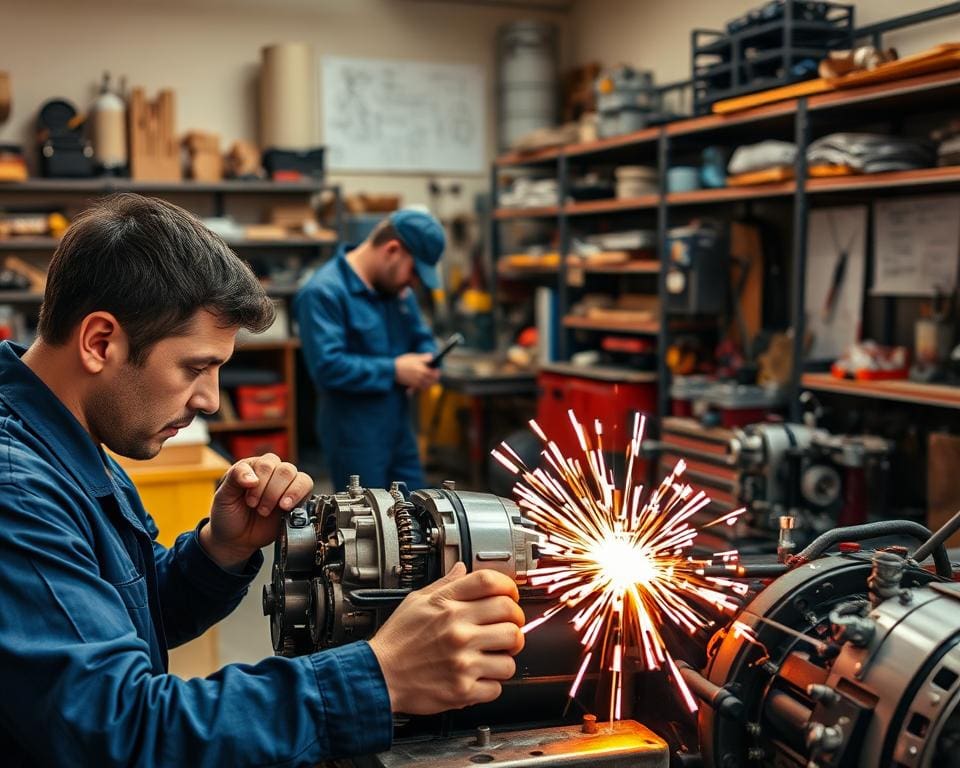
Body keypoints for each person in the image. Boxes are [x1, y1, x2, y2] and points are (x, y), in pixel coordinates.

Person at [0, 194, 525, 767]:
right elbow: (123, 730)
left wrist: (218, 551)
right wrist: (380, 676)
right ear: (101, 342)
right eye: (195, 367)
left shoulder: (69, 440)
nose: (210, 399)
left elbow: (120, 616)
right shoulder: (17, 490)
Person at [294, 209, 445, 492]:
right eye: (414, 271)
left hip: (400, 428)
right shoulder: (323, 292)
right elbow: (327, 367)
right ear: (392, 250)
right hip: (354, 435)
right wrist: (395, 370)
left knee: (418, 515)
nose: (414, 282)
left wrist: (429, 361)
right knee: (368, 525)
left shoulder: (397, 291)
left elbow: (421, 336)